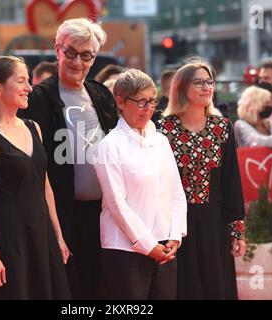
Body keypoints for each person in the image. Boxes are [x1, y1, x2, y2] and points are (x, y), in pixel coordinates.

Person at [0, 18, 118, 299]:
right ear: (57, 50)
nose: (77, 61)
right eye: (70, 52)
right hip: (61, 212)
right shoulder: (37, 97)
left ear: (94, 57)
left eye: (86, 55)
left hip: (102, 213)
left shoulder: (101, 95)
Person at [0, 55, 70, 299]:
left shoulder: (33, 127)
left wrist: (58, 236)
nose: (29, 87)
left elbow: (45, 186)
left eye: (28, 81)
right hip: (8, 240)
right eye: (21, 81)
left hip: (41, 235)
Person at [94, 68, 187, 299]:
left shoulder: (161, 141)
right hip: (124, 250)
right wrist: (147, 245)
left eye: (152, 101)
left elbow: (176, 191)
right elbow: (117, 205)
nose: (148, 109)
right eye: (141, 102)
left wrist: (175, 234)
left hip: (165, 246)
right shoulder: (109, 146)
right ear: (121, 102)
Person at [157, 59, 246, 299]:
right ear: (181, 88)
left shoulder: (222, 127)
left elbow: (231, 182)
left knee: (215, 286)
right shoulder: (162, 129)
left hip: (213, 222)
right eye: (199, 82)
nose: (207, 87)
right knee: (182, 288)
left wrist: (236, 230)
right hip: (175, 224)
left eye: (210, 81)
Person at [234, 86, 272, 150]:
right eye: (266, 103)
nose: (270, 106)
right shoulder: (240, 125)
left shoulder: (271, 124)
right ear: (254, 105)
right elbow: (256, 141)